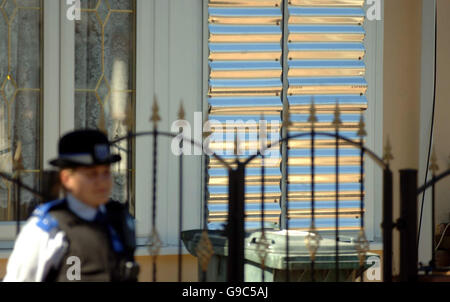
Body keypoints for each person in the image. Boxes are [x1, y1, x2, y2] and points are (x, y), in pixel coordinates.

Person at [3, 129, 139, 282]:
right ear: (67, 178)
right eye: (91, 174)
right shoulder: (47, 230)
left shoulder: (118, 220)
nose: (102, 181)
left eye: (106, 172)